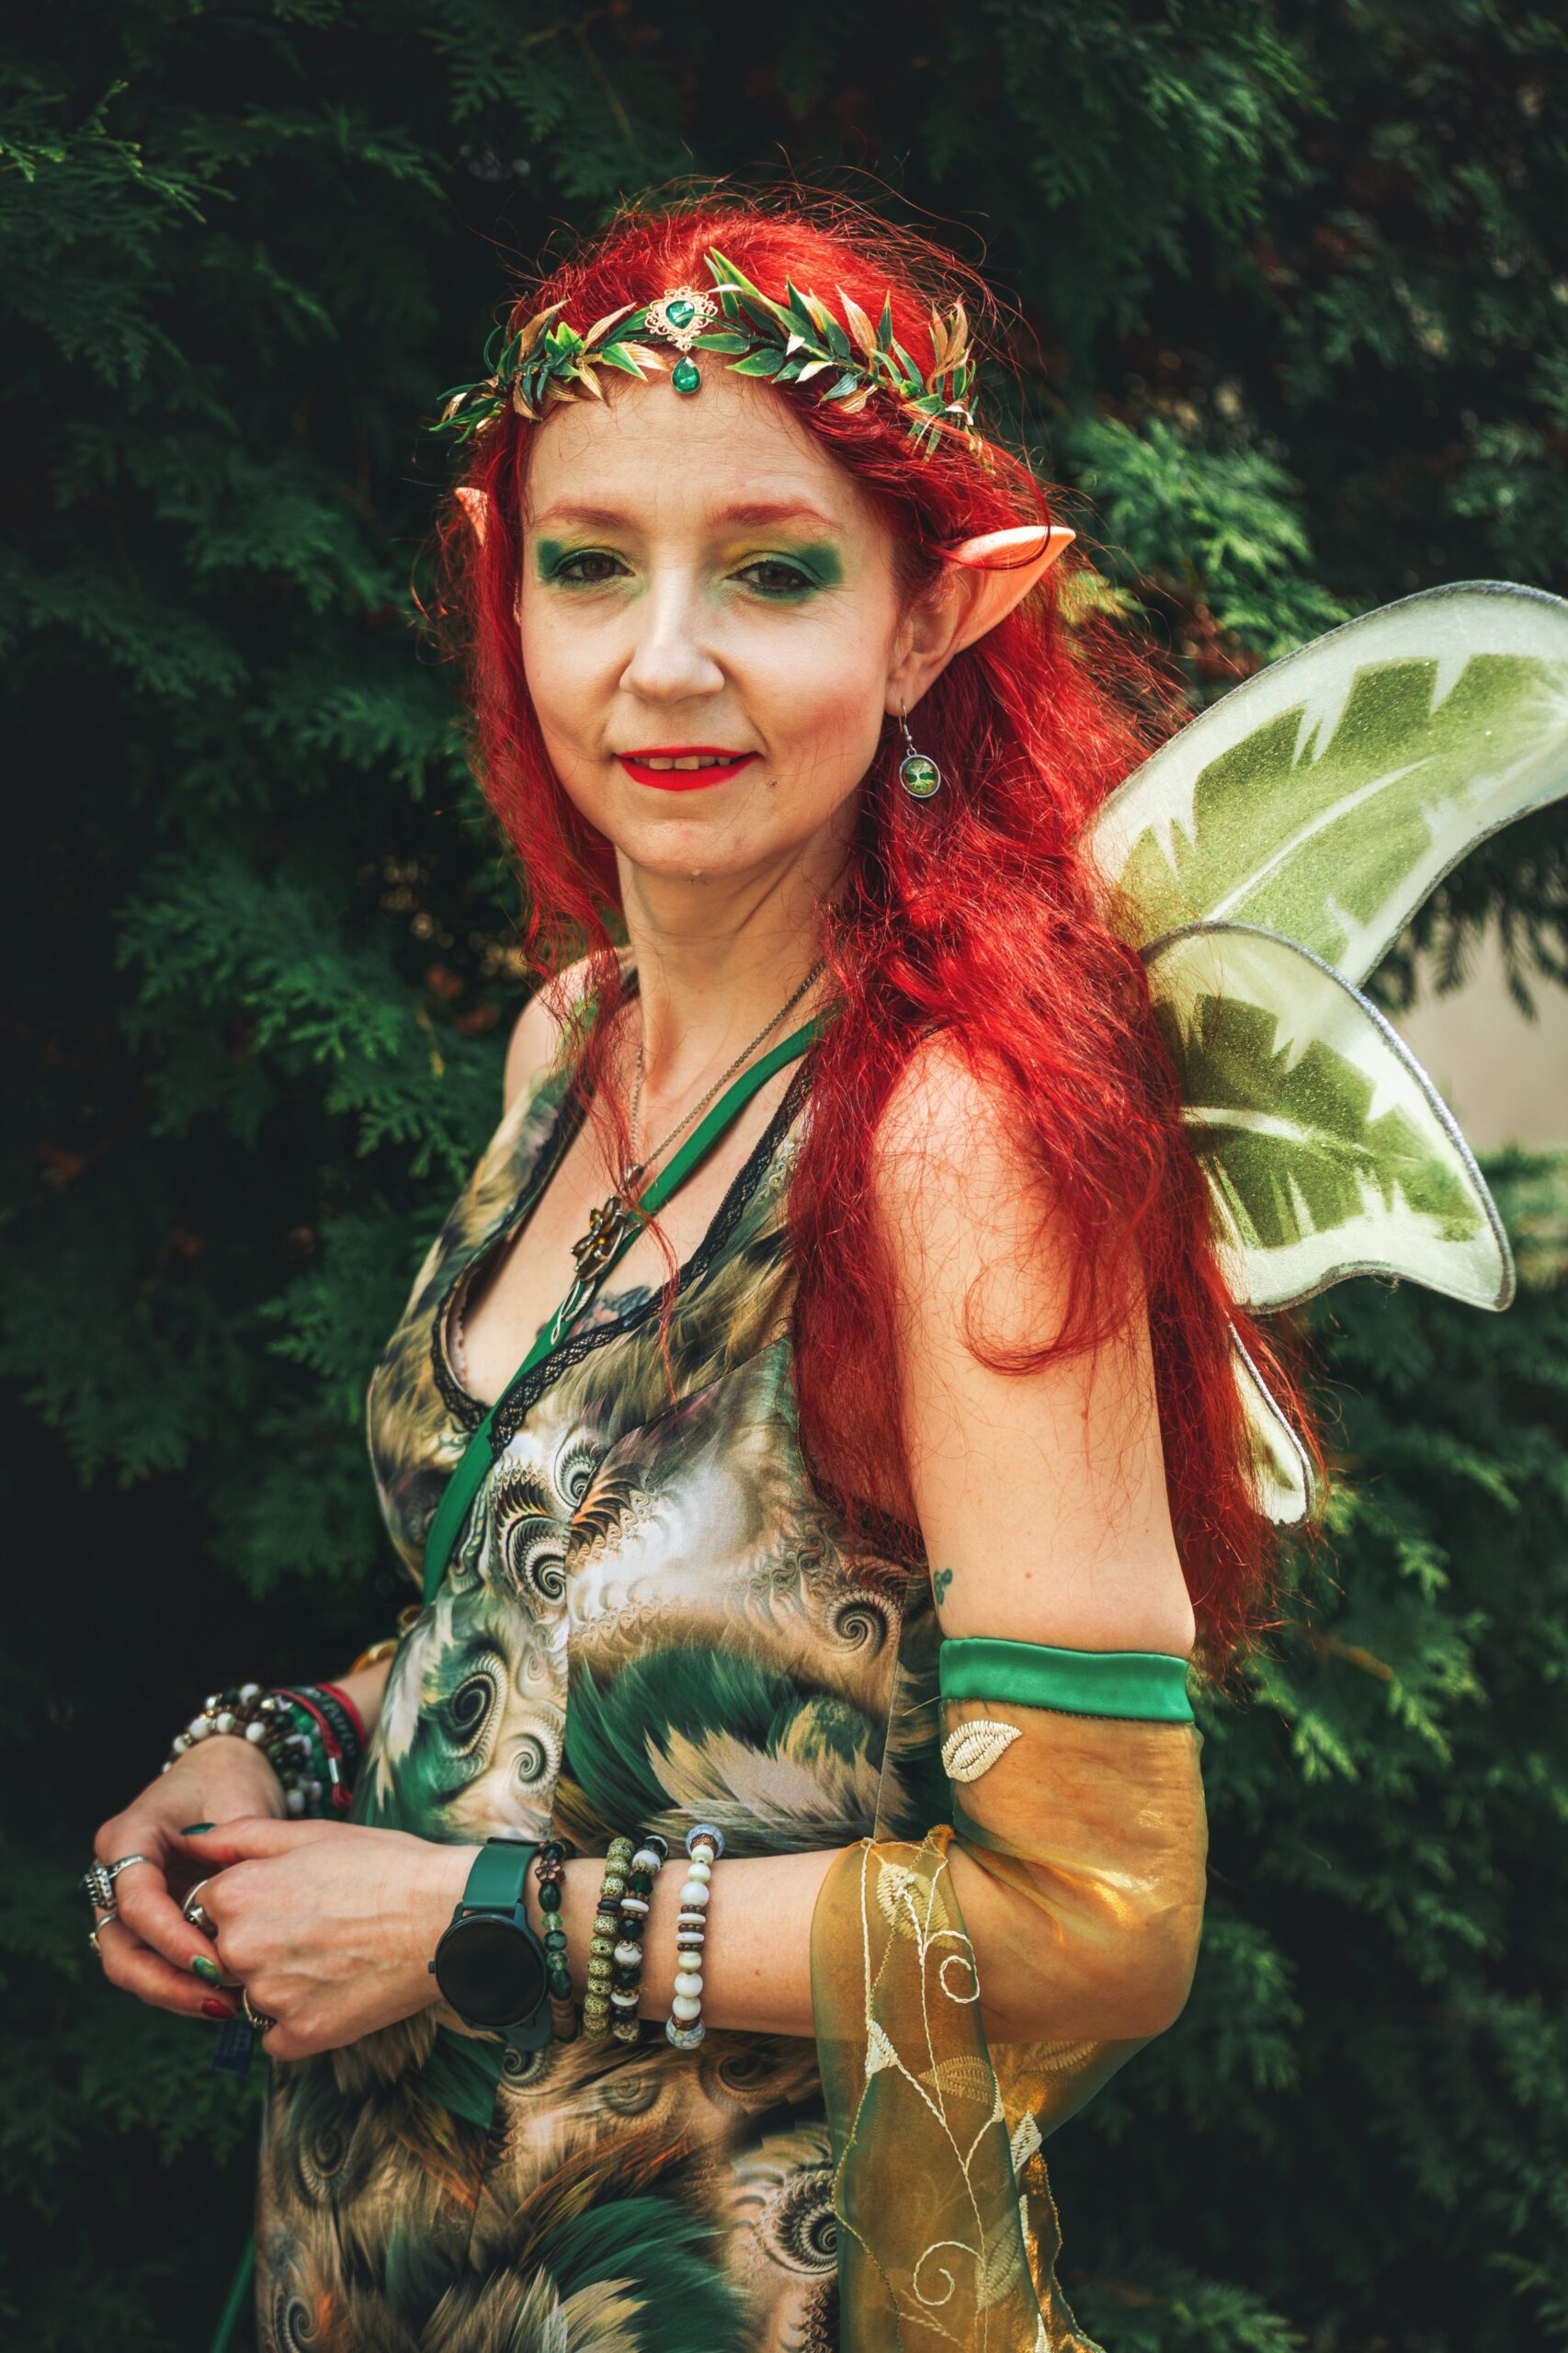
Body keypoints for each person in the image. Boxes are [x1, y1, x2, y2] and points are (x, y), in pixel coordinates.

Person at [85, 191, 1308, 2352]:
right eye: (588, 564)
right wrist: (280, 1742)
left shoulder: (957, 1140)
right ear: (501, 582)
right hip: (370, 2275)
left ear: (935, 618)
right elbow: (564, 1608)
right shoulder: (567, 1047)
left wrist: (474, 1920)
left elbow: (1100, 1923)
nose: (662, 659)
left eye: (772, 570)